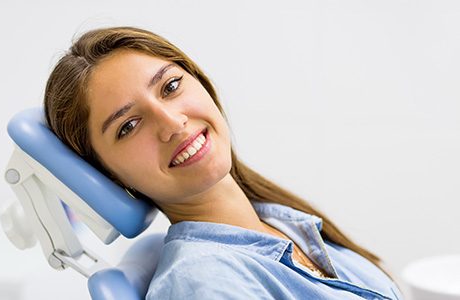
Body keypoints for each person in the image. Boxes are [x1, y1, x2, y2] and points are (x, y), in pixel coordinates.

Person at [44, 26, 403, 299]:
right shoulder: (205, 282)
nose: (173, 123)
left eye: (170, 87)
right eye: (129, 126)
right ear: (108, 176)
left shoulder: (281, 222)